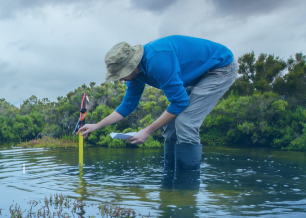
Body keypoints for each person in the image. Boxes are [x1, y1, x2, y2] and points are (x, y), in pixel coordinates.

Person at [78, 35, 237, 171]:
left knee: (185, 121)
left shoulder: (158, 61)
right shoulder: (136, 75)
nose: (120, 78)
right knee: (170, 125)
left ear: (133, 65)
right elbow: (128, 105)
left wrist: (147, 131)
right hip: (194, 75)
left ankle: (186, 186)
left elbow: (180, 102)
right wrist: (97, 125)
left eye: (122, 74)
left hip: (218, 69)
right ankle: (170, 178)